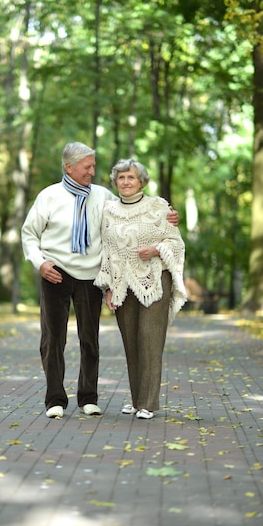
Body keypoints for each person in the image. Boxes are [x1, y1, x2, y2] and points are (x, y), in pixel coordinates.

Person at [21, 143, 179, 419]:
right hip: (55, 272)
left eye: (94, 166)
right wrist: (40, 263)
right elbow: (29, 234)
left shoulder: (103, 197)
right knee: (53, 339)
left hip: (90, 276)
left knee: (89, 339)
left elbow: (131, 212)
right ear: (69, 167)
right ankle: (55, 400)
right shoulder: (48, 196)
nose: (93, 172)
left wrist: (169, 216)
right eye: (87, 167)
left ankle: (88, 398)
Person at [94, 158, 187, 419]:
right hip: (123, 283)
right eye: (121, 178)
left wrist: (155, 249)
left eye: (131, 177)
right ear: (115, 182)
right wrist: (109, 288)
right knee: (131, 340)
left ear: (141, 181)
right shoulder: (108, 211)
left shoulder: (159, 207)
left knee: (150, 338)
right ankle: (136, 401)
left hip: (155, 279)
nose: (125, 182)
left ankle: (148, 403)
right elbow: (108, 252)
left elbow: (176, 243)